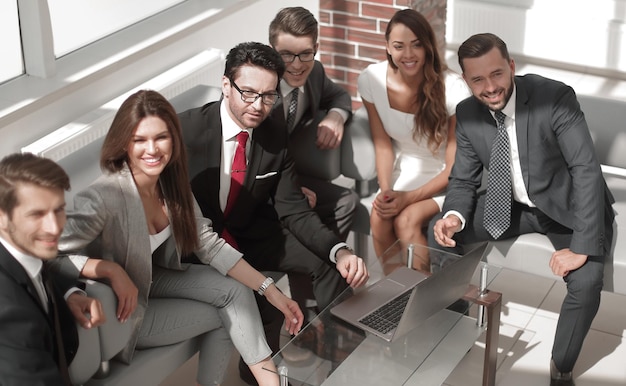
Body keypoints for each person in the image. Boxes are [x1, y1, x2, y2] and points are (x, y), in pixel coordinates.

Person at [57, 90, 304, 386]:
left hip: (153, 279)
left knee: (236, 292)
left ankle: (270, 383)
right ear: (124, 143)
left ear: (174, 138)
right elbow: (52, 256)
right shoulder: (104, 196)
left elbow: (208, 244)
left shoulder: (171, 185)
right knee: (229, 314)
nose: (152, 149)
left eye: (161, 137)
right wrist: (108, 269)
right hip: (122, 312)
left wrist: (272, 291)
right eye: (139, 140)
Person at [178, 41, 369, 385]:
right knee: (264, 305)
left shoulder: (272, 132)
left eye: (268, 96)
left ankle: (345, 357)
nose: (258, 106)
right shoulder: (184, 132)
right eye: (248, 93)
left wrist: (339, 250)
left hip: (247, 232)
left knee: (329, 264)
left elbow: (293, 209)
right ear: (226, 85)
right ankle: (257, 376)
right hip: (197, 245)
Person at [430, 33, 615, 386]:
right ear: (466, 81)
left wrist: (580, 247)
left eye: (497, 74)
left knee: (588, 281)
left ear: (512, 67)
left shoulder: (554, 98)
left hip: (566, 206)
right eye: (478, 80)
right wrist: (452, 215)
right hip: (512, 204)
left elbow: (586, 170)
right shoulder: (468, 113)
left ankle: (561, 368)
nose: (490, 87)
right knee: (438, 232)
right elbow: (463, 179)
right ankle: (454, 328)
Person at [358, 8, 470, 271]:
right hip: (403, 170)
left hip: (447, 177)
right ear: (387, 46)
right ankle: (396, 292)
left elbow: (456, 167)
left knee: (406, 220)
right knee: (378, 217)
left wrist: (407, 197)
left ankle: (420, 298)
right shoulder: (371, 80)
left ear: (427, 46)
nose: (408, 55)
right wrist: (386, 190)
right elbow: (383, 144)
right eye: (399, 46)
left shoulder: (453, 88)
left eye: (416, 45)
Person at [268, 5, 360, 321]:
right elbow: (247, 161)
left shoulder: (316, 72)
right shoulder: (260, 94)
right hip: (266, 189)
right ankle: (311, 304)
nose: (296, 65)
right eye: (286, 55)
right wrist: (289, 193)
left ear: (316, 49)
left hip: (294, 175)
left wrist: (335, 117)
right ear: (272, 51)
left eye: (305, 54)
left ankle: (323, 284)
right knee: (303, 216)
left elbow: (340, 97)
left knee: (346, 200)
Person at [0, 152, 105, 386]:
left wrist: (68, 293)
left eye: (58, 210)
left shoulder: (21, 248)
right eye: (36, 214)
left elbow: (36, 268)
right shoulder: (8, 314)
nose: (54, 227)